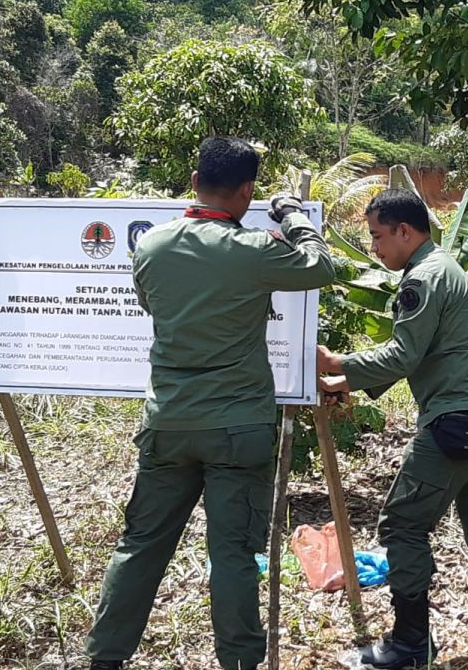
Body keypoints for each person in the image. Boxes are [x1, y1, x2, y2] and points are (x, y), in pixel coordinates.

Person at [86, 136, 335, 670]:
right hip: (237, 427)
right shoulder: (253, 251)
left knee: (141, 546)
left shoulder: (150, 245)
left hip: (169, 423)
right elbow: (319, 266)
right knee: (232, 557)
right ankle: (240, 663)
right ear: (247, 192)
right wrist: (293, 217)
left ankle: (104, 659)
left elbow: (152, 304)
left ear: (195, 181)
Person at [317, 189, 468, 669]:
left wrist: (338, 366)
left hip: (457, 421)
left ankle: (411, 645)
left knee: (402, 524)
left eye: (377, 236)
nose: (374, 247)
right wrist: (346, 377)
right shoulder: (443, 268)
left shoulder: (423, 279)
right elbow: (421, 353)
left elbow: (402, 354)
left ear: (404, 231)